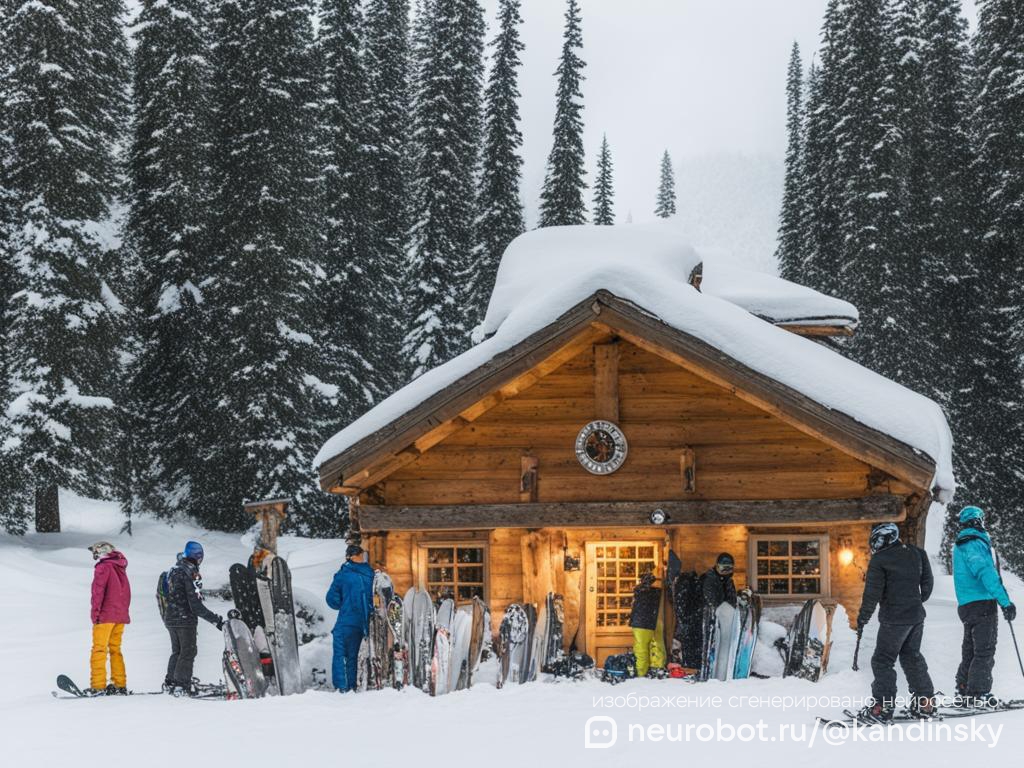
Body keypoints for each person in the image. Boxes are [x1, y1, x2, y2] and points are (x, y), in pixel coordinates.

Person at [855, 522, 935, 723]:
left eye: (877, 540)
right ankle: (925, 703)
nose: (876, 545)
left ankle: (882, 707)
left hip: (894, 619)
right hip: (916, 616)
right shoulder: (917, 553)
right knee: (912, 656)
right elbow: (927, 584)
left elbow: (872, 594)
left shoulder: (879, 560)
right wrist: (914, 600)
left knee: (882, 660)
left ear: (886, 538)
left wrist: (863, 617)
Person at [952, 505, 1016, 708]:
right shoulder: (975, 544)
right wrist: (1005, 602)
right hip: (982, 604)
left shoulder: (961, 544)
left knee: (970, 651)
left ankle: (964, 688)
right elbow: (986, 573)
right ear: (977, 522)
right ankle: (978, 693)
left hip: (967, 605)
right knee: (984, 650)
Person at [162, 541, 224, 696]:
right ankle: (181, 685)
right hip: (184, 619)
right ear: (198, 557)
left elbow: (164, 592)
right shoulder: (190, 573)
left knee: (177, 651)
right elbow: (195, 604)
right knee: (188, 652)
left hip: (170, 617)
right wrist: (216, 620)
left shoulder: (173, 570)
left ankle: (171, 682)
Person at [325, 544, 374, 692]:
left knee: (340, 654)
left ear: (350, 557)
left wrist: (346, 604)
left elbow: (331, 600)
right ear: (358, 556)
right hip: (362, 623)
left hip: (346, 621)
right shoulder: (371, 574)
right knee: (352, 655)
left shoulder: (343, 574)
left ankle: (341, 687)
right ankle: (351, 685)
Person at [86, 542, 131, 695]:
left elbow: (97, 593)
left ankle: (98, 686)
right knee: (115, 650)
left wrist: (95, 614)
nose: (94, 556)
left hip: (105, 616)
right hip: (119, 616)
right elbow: (125, 593)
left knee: (99, 649)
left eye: (95, 553)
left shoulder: (103, 567)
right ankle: (119, 684)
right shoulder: (119, 566)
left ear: (101, 552)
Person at [630, 571, 666, 678]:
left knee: (641, 649)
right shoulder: (657, 592)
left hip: (641, 623)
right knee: (656, 645)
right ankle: (657, 668)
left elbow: (636, 607)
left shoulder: (639, 591)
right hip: (655, 620)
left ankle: (641, 672)